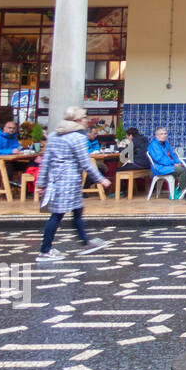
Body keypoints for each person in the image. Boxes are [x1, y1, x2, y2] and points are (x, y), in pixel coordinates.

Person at [34, 107, 110, 262]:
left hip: (56, 180)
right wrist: (100, 179)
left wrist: (41, 183)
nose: (86, 120)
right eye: (83, 117)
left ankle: (85, 242)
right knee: (57, 215)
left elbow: (46, 161)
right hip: (69, 181)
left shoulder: (54, 136)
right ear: (76, 120)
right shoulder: (78, 138)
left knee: (76, 211)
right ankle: (45, 250)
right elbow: (86, 163)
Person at [146, 127, 186, 196]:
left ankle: (182, 190)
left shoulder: (166, 143)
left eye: (165, 134)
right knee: (182, 170)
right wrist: (173, 164)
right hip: (160, 168)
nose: (164, 135)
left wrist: (178, 162)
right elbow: (160, 159)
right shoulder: (154, 145)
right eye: (161, 134)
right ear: (156, 135)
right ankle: (182, 191)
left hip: (169, 166)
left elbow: (173, 155)